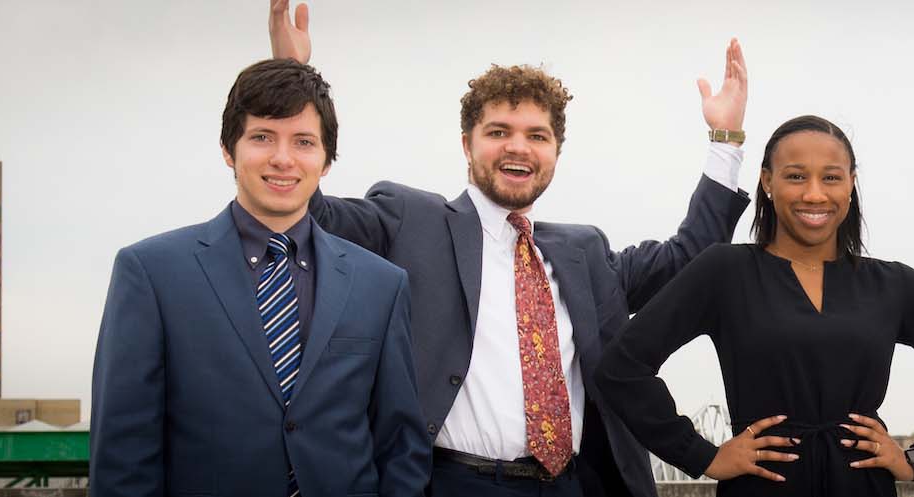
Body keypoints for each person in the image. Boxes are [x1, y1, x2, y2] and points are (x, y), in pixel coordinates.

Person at [267, 2, 751, 496]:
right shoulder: (408, 220)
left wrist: (725, 141)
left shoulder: (585, 252)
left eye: (537, 136)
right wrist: (292, 81)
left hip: (575, 484)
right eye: (499, 132)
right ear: (466, 144)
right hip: (455, 483)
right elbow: (312, 216)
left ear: (555, 152)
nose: (518, 147)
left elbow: (688, 259)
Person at [594, 115, 914, 497]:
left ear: (851, 183)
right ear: (767, 181)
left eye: (831, 178)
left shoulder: (893, 284)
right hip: (762, 487)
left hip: (862, 485)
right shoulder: (725, 270)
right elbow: (622, 368)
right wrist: (700, 454)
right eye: (796, 176)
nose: (815, 194)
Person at [90, 58, 428, 497]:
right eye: (263, 137)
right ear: (229, 150)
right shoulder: (150, 273)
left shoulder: (381, 285)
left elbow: (400, 445)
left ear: (326, 161)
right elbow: (123, 453)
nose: (283, 159)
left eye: (304, 141)